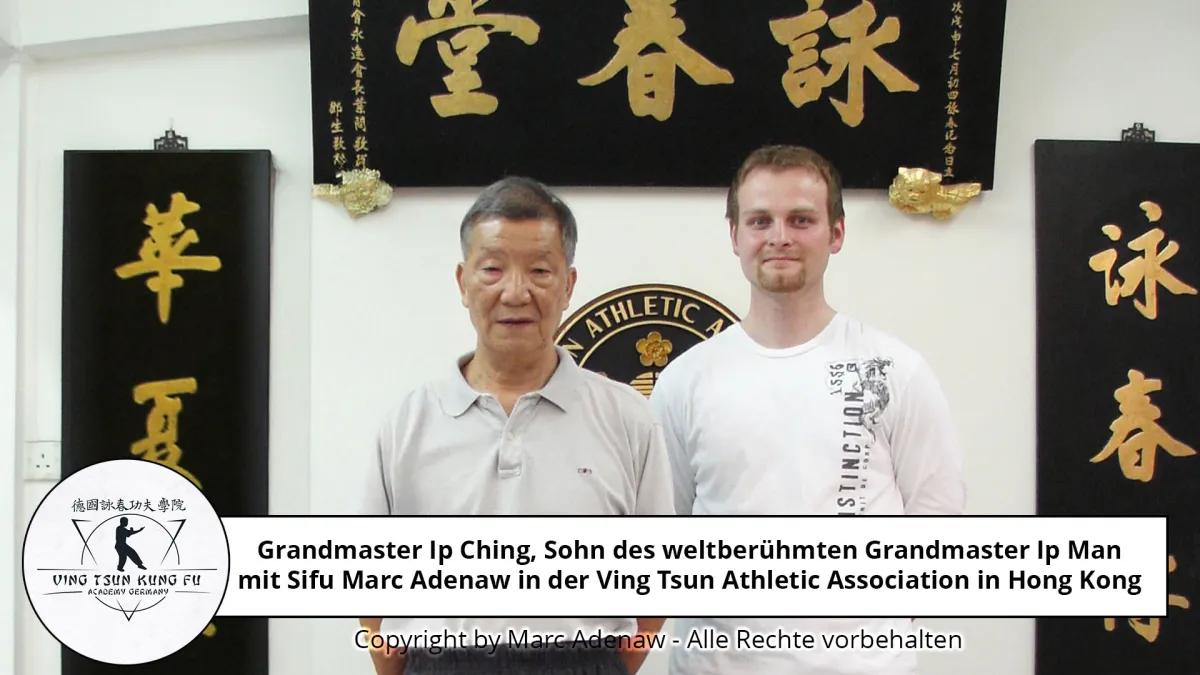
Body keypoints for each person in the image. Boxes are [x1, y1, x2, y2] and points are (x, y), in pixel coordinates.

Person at [649, 145, 966, 675]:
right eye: (759, 221)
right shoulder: (686, 379)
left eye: (801, 219)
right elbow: (665, 531)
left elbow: (939, 525)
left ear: (835, 233)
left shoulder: (893, 369)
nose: (779, 237)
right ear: (734, 236)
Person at [357, 176, 673, 675]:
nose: (516, 292)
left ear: (568, 285)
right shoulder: (409, 420)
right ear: (463, 282)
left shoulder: (626, 417)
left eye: (540, 271)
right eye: (493, 270)